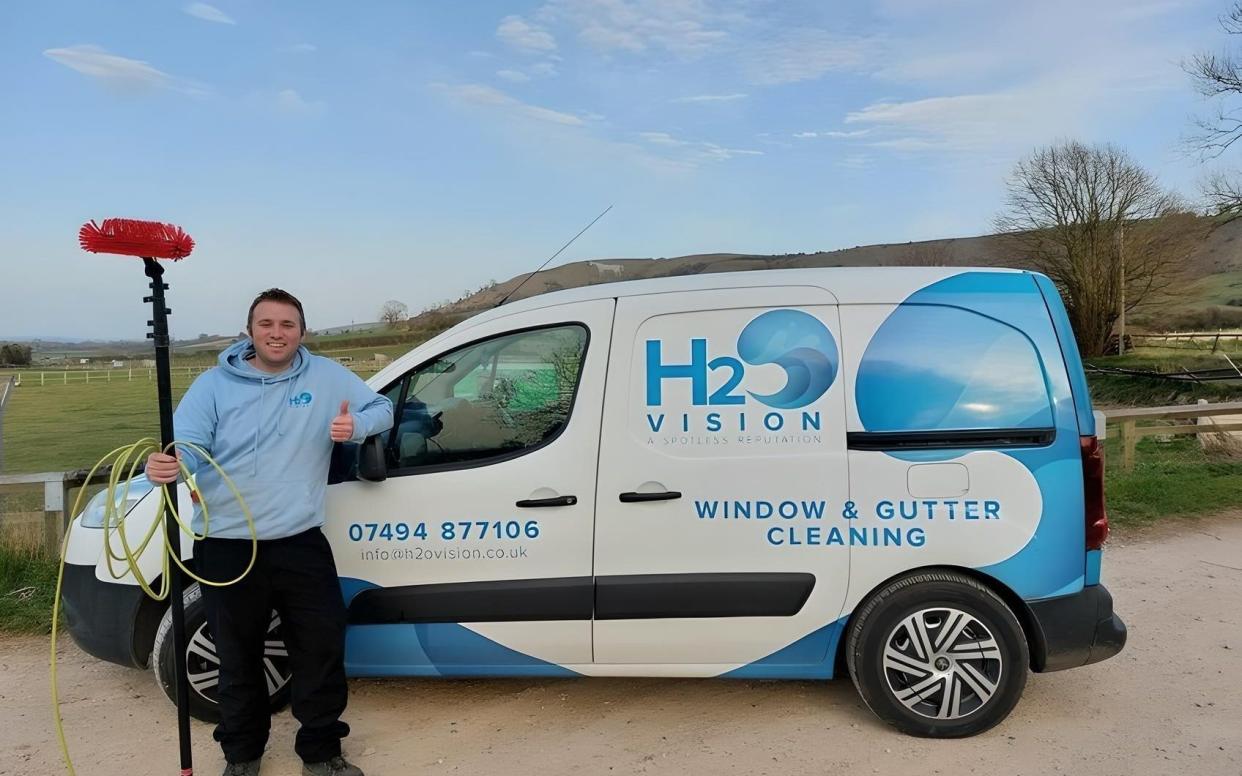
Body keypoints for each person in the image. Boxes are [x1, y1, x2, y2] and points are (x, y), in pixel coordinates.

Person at [145, 288, 393, 776]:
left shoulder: (324, 375)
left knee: (320, 649)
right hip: (227, 545)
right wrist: (171, 464)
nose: (277, 333)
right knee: (237, 656)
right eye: (266, 324)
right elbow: (189, 446)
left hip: (300, 542)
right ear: (249, 331)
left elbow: (382, 407)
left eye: (287, 325)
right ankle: (242, 755)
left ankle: (321, 752)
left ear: (302, 332)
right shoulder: (213, 385)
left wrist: (356, 425)